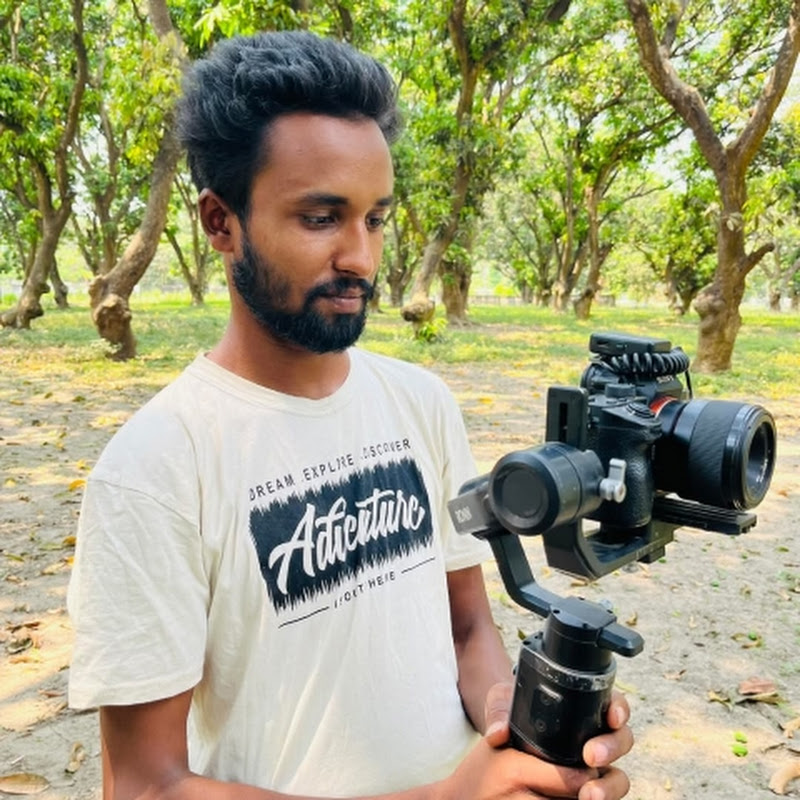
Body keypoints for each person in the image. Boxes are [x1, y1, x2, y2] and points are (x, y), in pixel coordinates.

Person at [67, 30, 634, 800]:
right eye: (320, 218)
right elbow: (144, 787)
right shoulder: (157, 471)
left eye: (375, 218)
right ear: (218, 221)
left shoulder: (419, 401)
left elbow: (468, 627)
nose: (361, 258)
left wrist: (518, 732)